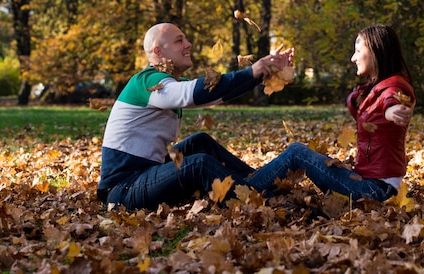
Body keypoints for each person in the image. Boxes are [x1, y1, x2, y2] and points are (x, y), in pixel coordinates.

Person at [97, 22, 294, 210]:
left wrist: (261, 73)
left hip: (145, 173)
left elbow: (214, 94)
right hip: (123, 189)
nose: (188, 44)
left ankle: (259, 185)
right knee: (199, 164)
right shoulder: (148, 82)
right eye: (179, 40)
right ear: (158, 52)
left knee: (200, 142)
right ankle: (267, 204)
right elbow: (196, 93)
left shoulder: (168, 82)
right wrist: (253, 70)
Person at [246, 24, 414, 202]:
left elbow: (392, 100)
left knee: (297, 152)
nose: (353, 58)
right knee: (302, 156)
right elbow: (357, 104)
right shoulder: (376, 88)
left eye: (358, 51)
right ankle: (254, 187)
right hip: (371, 185)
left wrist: (393, 111)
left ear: (376, 51)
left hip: (375, 191)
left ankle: (241, 193)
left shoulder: (393, 87)